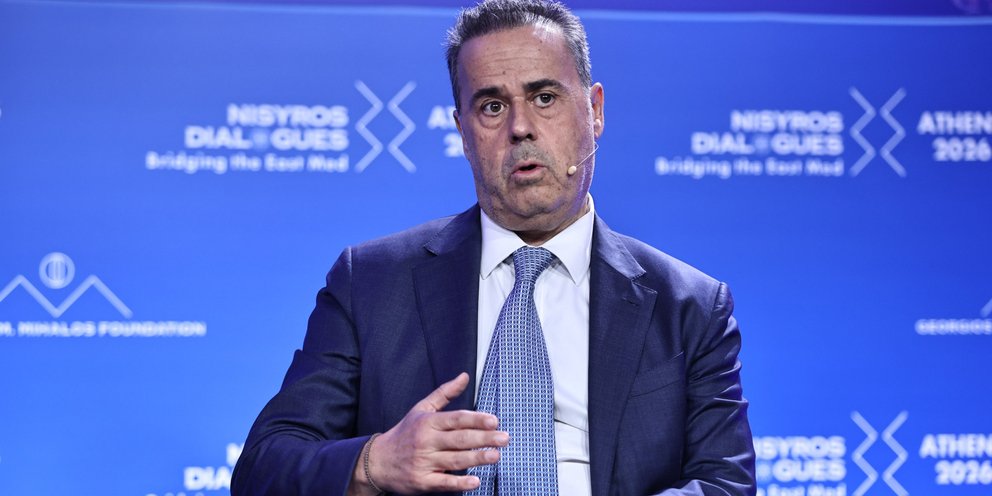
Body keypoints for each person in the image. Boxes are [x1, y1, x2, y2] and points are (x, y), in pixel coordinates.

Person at [231, 1, 755, 495]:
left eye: (544, 98)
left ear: (594, 111)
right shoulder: (369, 283)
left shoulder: (689, 307)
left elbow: (724, 483)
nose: (520, 128)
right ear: (463, 132)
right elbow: (263, 466)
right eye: (492, 106)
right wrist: (375, 461)